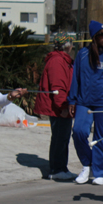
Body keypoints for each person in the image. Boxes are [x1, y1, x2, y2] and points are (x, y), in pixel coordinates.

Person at [69, 20, 103, 185]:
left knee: (102, 137)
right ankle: (87, 164)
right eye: (101, 35)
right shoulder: (82, 54)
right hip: (84, 102)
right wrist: (72, 100)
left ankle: (100, 172)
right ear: (94, 37)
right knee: (78, 132)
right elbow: (75, 78)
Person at [34, 32, 74, 180]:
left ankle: (61, 167)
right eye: (72, 43)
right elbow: (58, 87)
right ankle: (57, 170)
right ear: (67, 45)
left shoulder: (62, 59)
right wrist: (63, 107)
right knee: (60, 137)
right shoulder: (58, 61)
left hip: (60, 106)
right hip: (58, 107)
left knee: (62, 137)